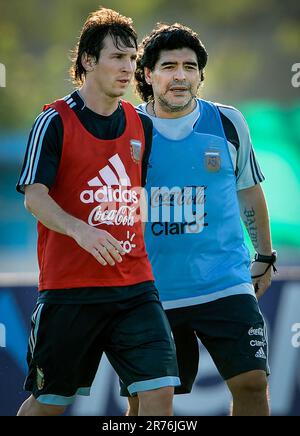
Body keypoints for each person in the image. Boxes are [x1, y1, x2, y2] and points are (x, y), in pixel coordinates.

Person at [16, 9, 180, 416]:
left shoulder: (141, 124)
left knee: (158, 394)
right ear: (88, 61)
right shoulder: (54, 120)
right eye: (117, 58)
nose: (129, 68)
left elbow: (135, 195)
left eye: (132, 58)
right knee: (50, 404)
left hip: (135, 287)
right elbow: (34, 197)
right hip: (71, 291)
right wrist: (82, 231)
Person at [123, 23, 277, 416]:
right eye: (169, 66)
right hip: (152, 292)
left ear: (200, 76)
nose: (180, 76)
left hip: (224, 281)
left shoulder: (228, 123)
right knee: (147, 401)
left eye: (190, 67)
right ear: (147, 74)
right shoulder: (126, 130)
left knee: (253, 382)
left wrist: (264, 254)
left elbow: (249, 190)